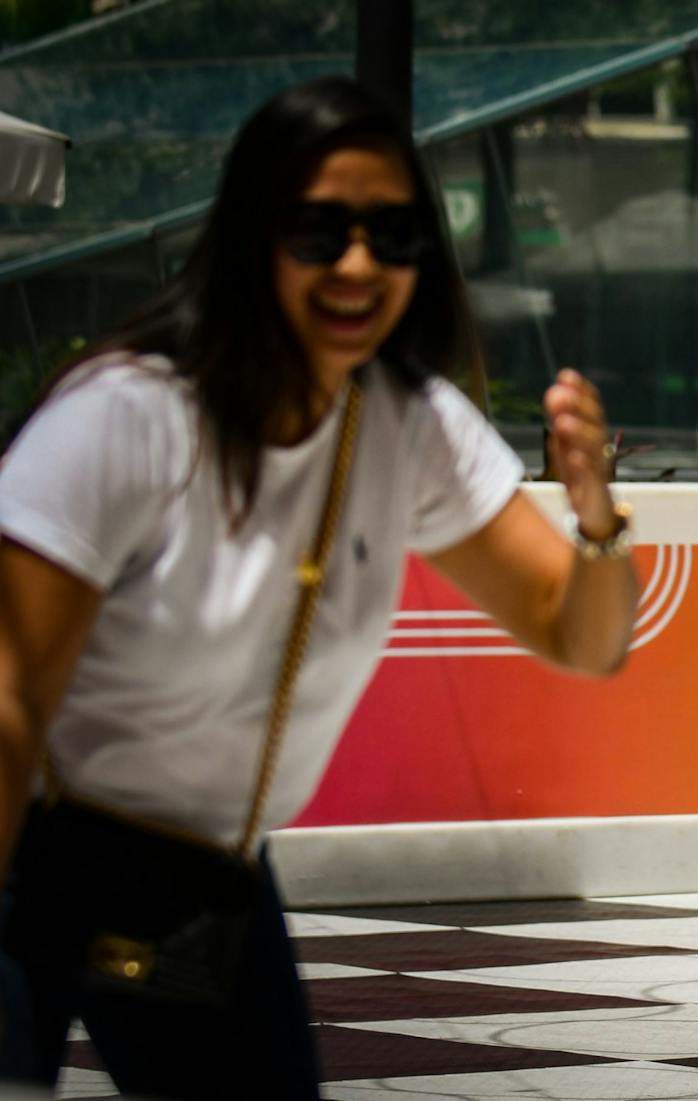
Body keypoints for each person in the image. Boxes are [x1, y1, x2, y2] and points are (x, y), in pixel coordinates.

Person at [0, 78, 638, 1099]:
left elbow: (581, 635)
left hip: (202, 879)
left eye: (392, 234)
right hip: (32, 853)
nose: (358, 264)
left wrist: (601, 520)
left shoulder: (406, 422)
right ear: (255, 236)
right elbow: (10, 701)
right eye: (320, 230)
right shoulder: (129, 415)